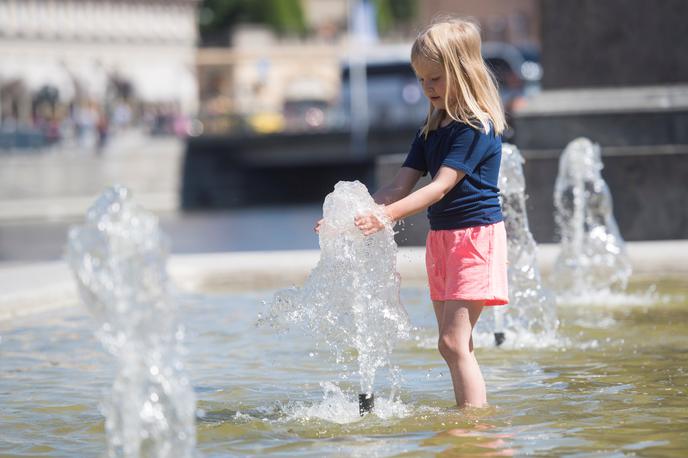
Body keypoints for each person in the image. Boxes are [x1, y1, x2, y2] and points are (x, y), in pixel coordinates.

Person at [316, 17, 508, 408]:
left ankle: (473, 428)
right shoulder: (431, 130)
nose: (428, 88)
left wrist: (386, 218)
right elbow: (398, 186)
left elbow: (439, 186)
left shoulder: (475, 127)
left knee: (453, 343)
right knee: (455, 345)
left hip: (475, 239)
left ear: (463, 72)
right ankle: (470, 421)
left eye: (436, 78)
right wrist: (348, 219)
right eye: (421, 80)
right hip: (443, 241)